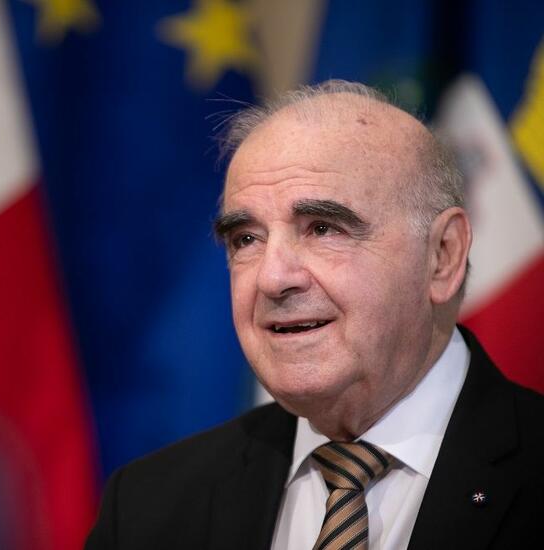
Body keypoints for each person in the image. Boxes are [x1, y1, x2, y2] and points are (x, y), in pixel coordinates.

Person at [84, 80, 544, 549]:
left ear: (442, 255)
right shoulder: (147, 507)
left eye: (323, 228)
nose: (272, 278)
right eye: (246, 239)